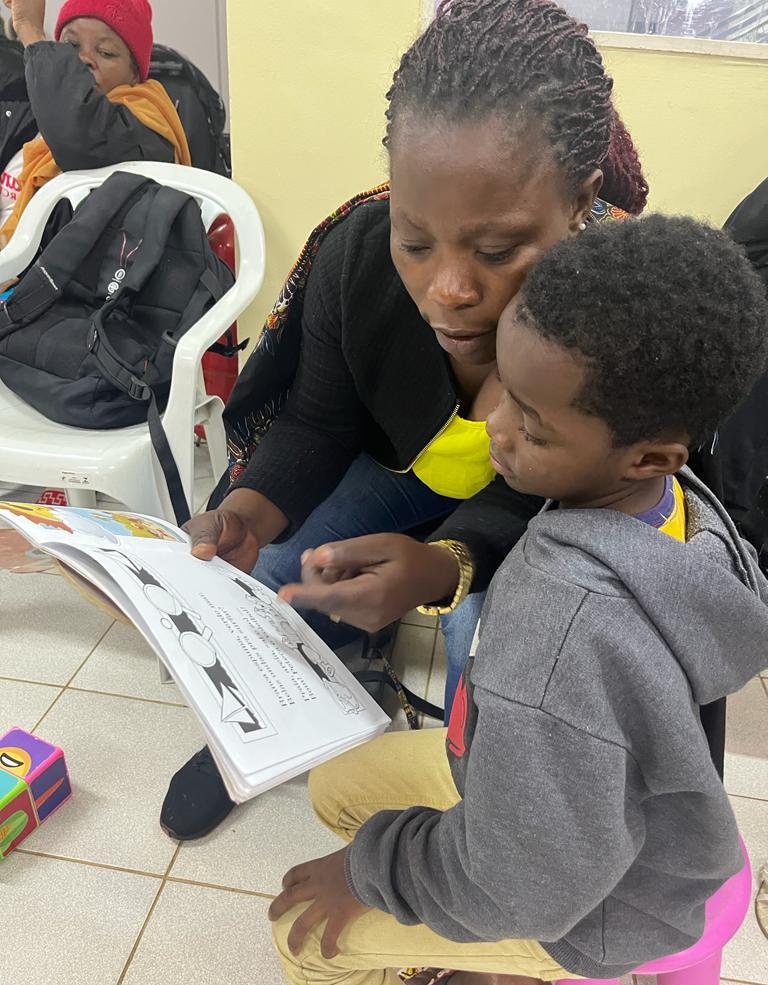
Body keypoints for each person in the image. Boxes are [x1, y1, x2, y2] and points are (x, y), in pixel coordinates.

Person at [162, 0, 649, 842]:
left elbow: (570, 500)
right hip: (398, 469)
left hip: (535, 516)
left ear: (581, 201)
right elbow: (318, 423)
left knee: (488, 640)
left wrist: (443, 566)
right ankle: (253, 735)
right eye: (417, 239)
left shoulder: (618, 310)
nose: (450, 288)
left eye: (496, 252)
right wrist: (247, 509)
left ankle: (481, 813)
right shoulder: (356, 253)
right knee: (277, 565)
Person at [267, 213, 768, 985]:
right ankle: (464, 959)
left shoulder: (559, 629)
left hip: (590, 909)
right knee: (337, 786)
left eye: (530, 425)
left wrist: (368, 876)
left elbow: (528, 883)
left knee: (303, 939)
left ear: (646, 456)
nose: (494, 428)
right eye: (505, 391)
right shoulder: (683, 502)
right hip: (592, 809)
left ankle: (480, 984)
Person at [0, 0, 190, 241]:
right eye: (71, 45)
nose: (85, 59)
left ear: (134, 73)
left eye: (105, 52)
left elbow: (78, 137)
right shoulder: (39, 118)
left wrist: (31, 30)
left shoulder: (146, 126)